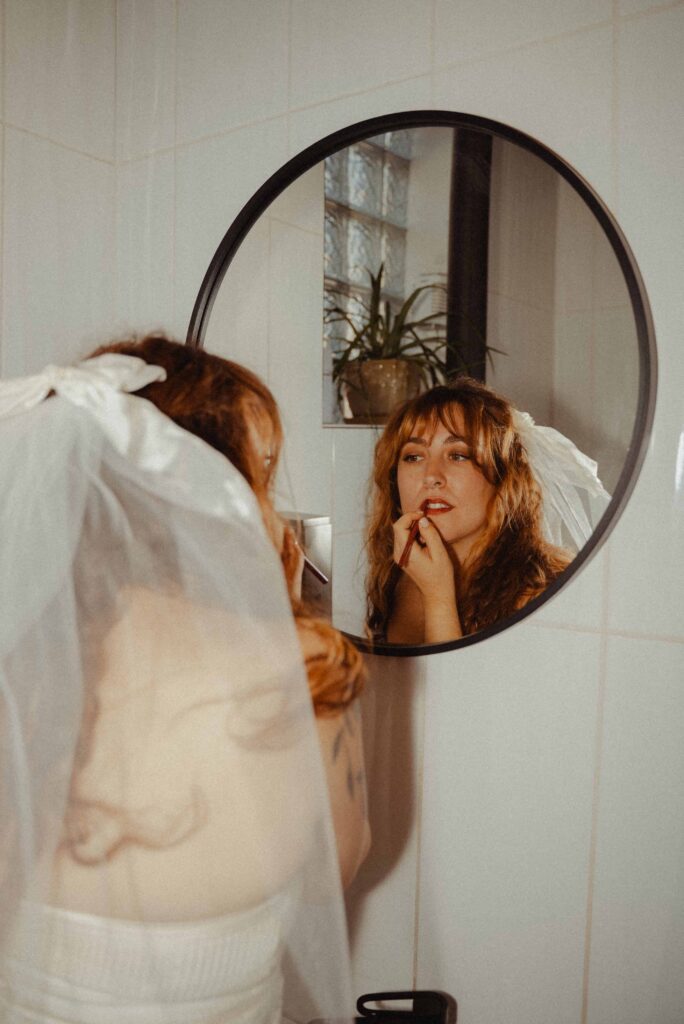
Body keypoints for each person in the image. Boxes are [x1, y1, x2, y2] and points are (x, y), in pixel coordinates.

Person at [0, 336, 368, 1024]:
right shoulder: (303, 664)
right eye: (261, 474)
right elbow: (335, 867)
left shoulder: (17, 660)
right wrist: (278, 611)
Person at [366, 377, 610, 645]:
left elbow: (459, 688)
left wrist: (438, 597)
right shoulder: (398, 572)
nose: (431, 476)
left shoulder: (543, 596)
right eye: (414, 456)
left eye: (458, 455)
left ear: (503, 478)